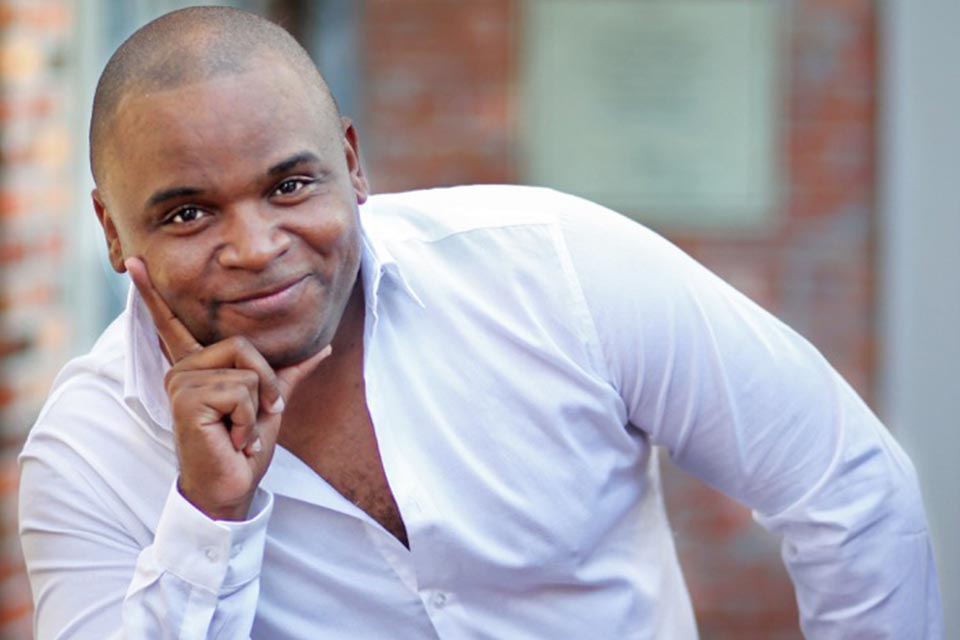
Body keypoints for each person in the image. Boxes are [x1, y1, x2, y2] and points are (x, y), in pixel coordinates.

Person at [17, 6, 942, 639]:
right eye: (188, 213)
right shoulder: (90, 450)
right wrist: (208, 517)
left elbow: (845, 484)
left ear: (353, 165)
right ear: (112, 231)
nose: (256, 247)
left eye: (290, 186)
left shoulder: (555, 271)